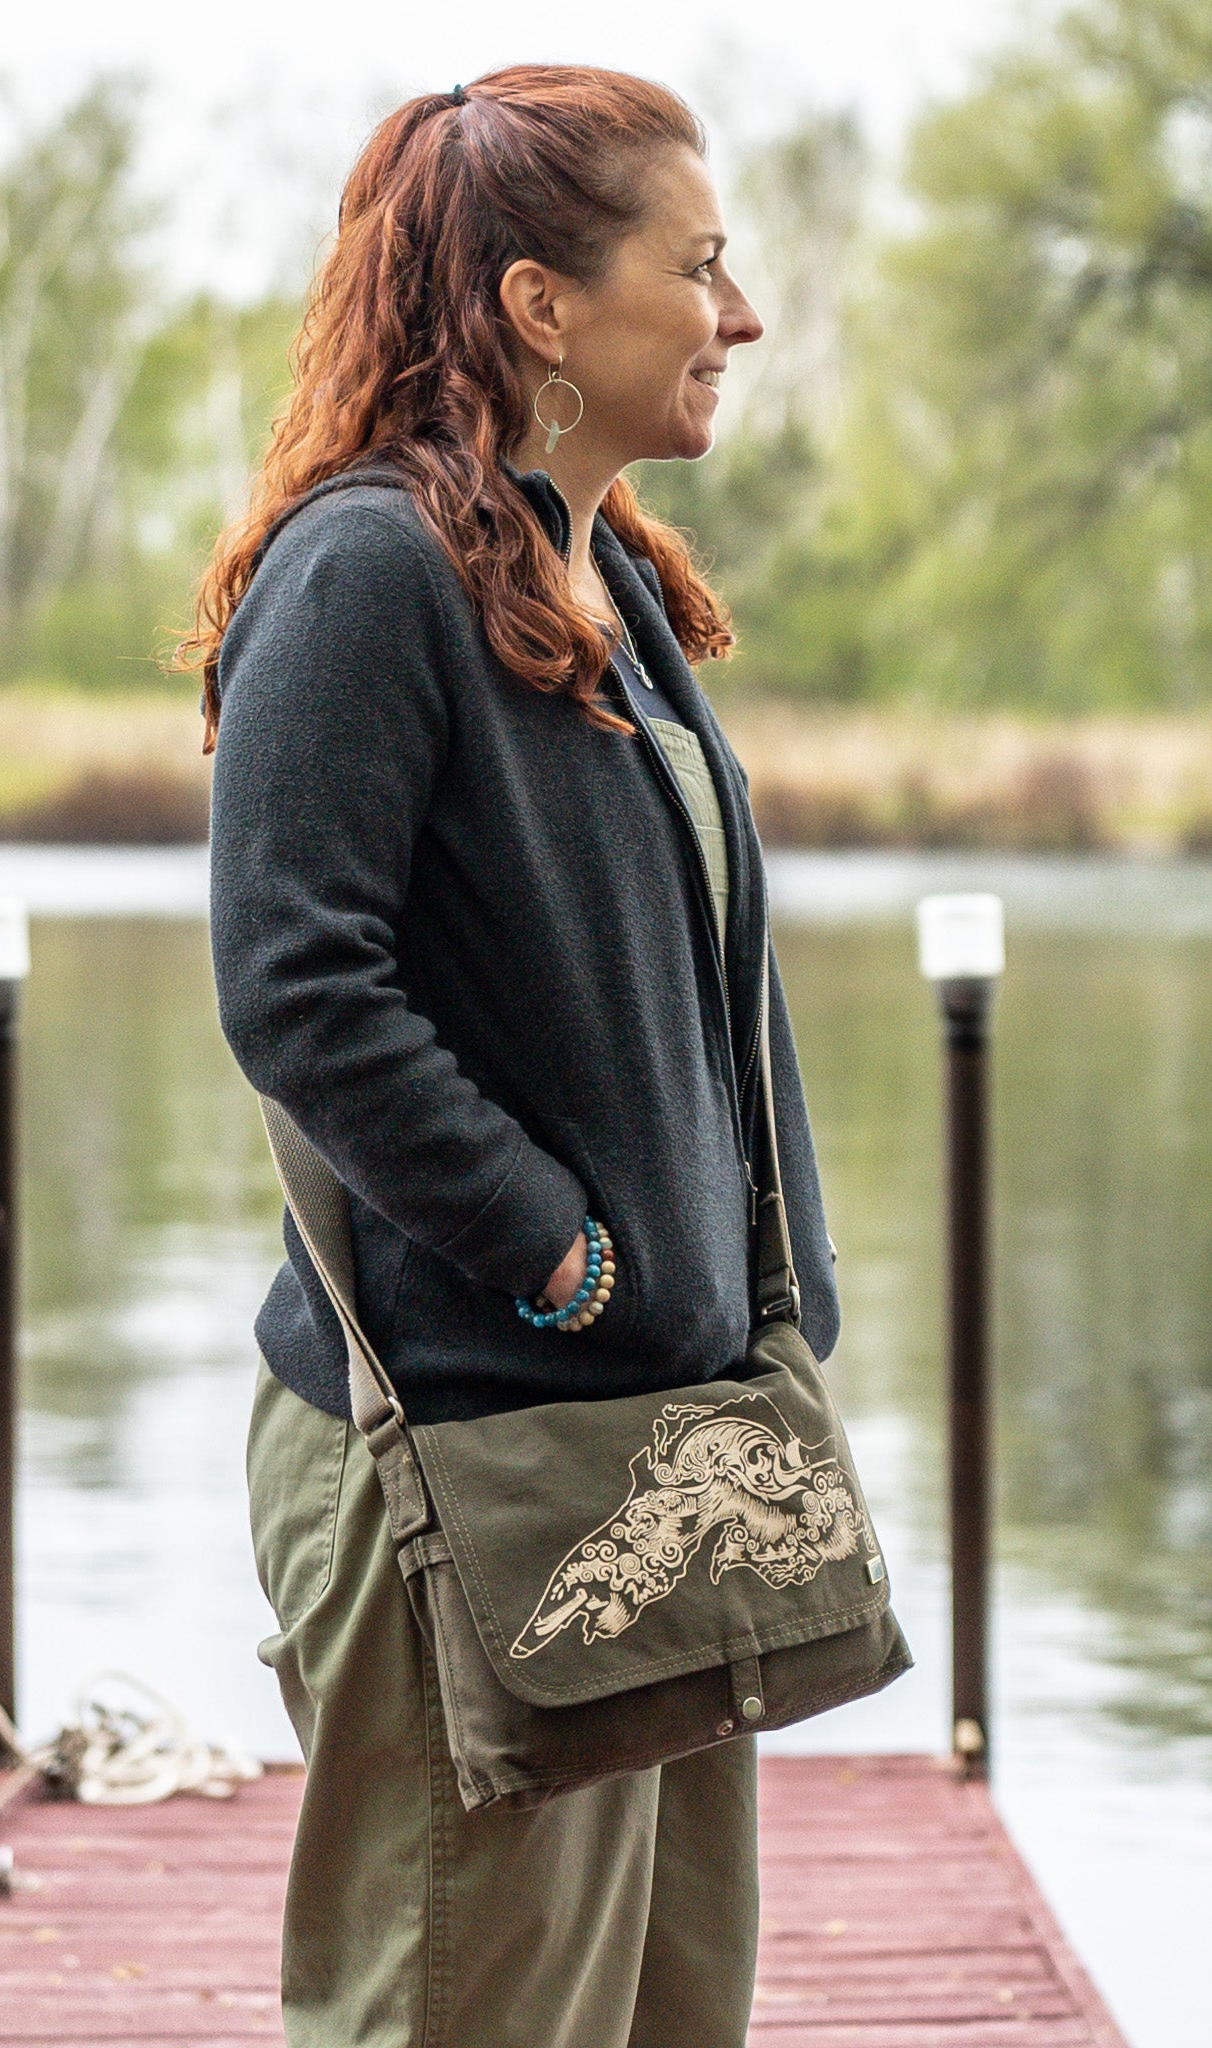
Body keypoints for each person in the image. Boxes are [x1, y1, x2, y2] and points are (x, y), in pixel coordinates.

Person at [189, 62, 841, 2048]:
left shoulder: (610, 574)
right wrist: (564, 1252)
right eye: (700, 267)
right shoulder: (366, 572)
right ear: (544, 306)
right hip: (469, 1468)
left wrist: (758, 1301)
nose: (738, 316)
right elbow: (299, 985)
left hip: (667, 1455)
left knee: (664, 2018)